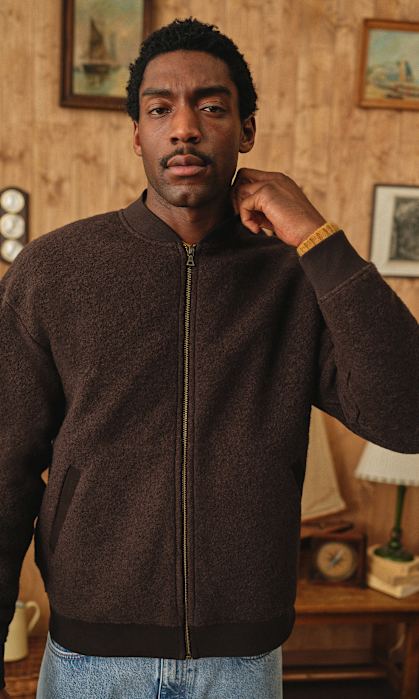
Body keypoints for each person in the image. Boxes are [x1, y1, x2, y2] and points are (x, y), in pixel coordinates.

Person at [1, 16, 418, 699]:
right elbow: (5, 464)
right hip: (90, 658)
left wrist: (317, 237)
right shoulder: (54, 270)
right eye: (160, 109)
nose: (185, 128)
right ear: (137, 134)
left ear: (246, 130)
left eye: (212, 107)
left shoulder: (295, 277)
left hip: (242, 662)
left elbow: (407, 417)